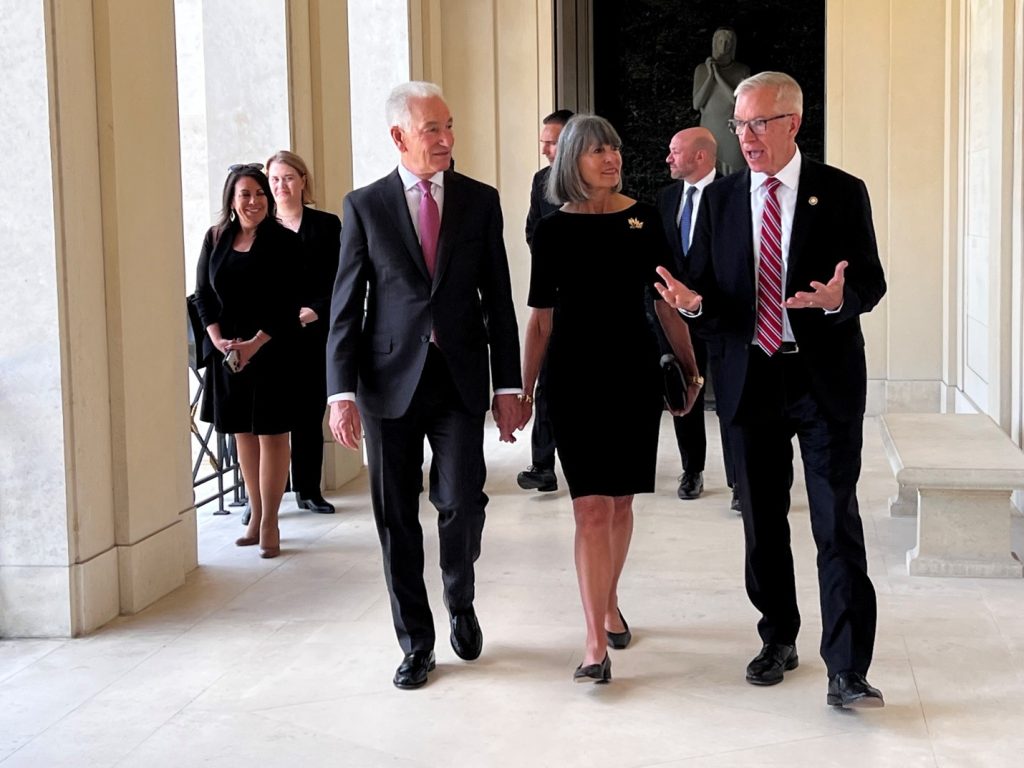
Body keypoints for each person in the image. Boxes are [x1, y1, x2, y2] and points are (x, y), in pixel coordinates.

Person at [656, 72, 887, 708]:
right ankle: (778, 635)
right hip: (749, 377)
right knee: (761, 519)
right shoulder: (724, 198)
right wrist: (692, 305)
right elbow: (706, 288)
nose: (747, 137)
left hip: (823, 380)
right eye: (739, 125)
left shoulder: (840, 192)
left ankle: (847, 668)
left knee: (835, 521)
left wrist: (842, 301)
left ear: (793, 122)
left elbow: (870, 281)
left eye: (759, 123)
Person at [326, 81, 522, 690]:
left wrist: (509, 384)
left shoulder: (480, 201)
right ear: (399, 137)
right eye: (432, 130)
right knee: (395, 519)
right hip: (387, 383)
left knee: (462, 502)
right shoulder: (364, 206)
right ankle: (416, 641)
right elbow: (346, 304)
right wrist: (340, 393)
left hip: (460, 379)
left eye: (448, 126)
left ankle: (459, 596)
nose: (446, 140)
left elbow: (501, 302)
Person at [518, 114, 696, 684]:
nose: (611, 157)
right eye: (597, 150)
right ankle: (595, 639)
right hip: (573, 380)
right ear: (572, 160)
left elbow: (668, 303)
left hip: (633, 375)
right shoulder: (551, 231)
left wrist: (691, 375)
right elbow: (540, 321)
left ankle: (609, 598)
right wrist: (523, 390)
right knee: (590, 507)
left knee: (621, 504)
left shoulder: (645, 219)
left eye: (615, 148)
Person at [194, 164, 302, 559]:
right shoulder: (216, 238)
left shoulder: (283, 241)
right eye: (246, 194)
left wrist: (256, 343)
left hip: (272, 347)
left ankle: (271, 520)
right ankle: (255, 516)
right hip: (229, 354)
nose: (254, 201)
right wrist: (219, 339)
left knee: (273, 435)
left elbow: (289, 301)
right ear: (232, 199)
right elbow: (203, 294)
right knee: (242, 433)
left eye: (260, 193)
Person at [657, 127, 739, 510]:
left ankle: (741, 482)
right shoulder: (666, 198)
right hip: (676, 318)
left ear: (701, 156)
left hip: (724, 317)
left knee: (731, 399)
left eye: (675, 152)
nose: (669, 159)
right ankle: (692, 470)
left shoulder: (736, 196)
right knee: (682, 392)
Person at [266, 150, 341, 515]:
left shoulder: (327, 226)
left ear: (303, 181)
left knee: (310, 414)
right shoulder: (260, 227)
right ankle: (265, 496)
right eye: (275, 180)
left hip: (313, 333)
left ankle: (309, 489)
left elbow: (342, 280)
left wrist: (317, 310)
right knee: (270, 418)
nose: (281, 186)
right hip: (271, 339)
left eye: (288, 178)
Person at [517, 108, 573, 494]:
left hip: (590, 300)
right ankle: (542, 464)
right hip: (551, 294)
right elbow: (532, 230)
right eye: (544, 144)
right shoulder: (541, 182)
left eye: (552, 142)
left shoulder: (599, 180)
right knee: (548, 379)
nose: (547, 151)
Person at [692, 27, 749, 175]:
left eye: (728, 42)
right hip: (708, 129)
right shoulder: (701, 70)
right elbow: (697, 104)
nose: (723, 46)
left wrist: (717, 75)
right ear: (714, 43)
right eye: (720, 41)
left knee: (734, 174)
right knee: (707, 173)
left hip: (731, 132)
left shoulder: (742, 70)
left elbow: (737, 101)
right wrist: (710, 75)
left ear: (733, 45)